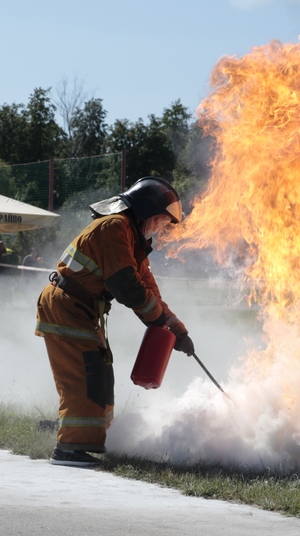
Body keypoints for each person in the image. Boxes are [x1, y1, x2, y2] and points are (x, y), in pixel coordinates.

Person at [35, 177, 194, 468]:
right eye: (160, 220)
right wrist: (159, 321)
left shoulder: (133, 242)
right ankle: (69, 449)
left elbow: (150, 292)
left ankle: (92, 439)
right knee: (85, 376)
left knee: (100, 374)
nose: (160, 228)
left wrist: (176, 330)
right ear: (145, 211)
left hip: (81, 310)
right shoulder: (114, 227)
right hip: (66, 307)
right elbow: (127, 287)